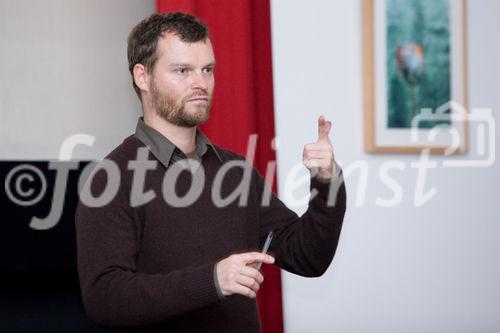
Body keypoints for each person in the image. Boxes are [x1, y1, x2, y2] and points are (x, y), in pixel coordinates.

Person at [75, 12, 346, 332]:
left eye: (207, 70)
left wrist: (327, 181)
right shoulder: (110, 178)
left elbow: (308, 257)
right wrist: (213, 280)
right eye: (182, 71)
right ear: (142, 77)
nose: (200, 83)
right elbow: (106, 298)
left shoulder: (235, 173)